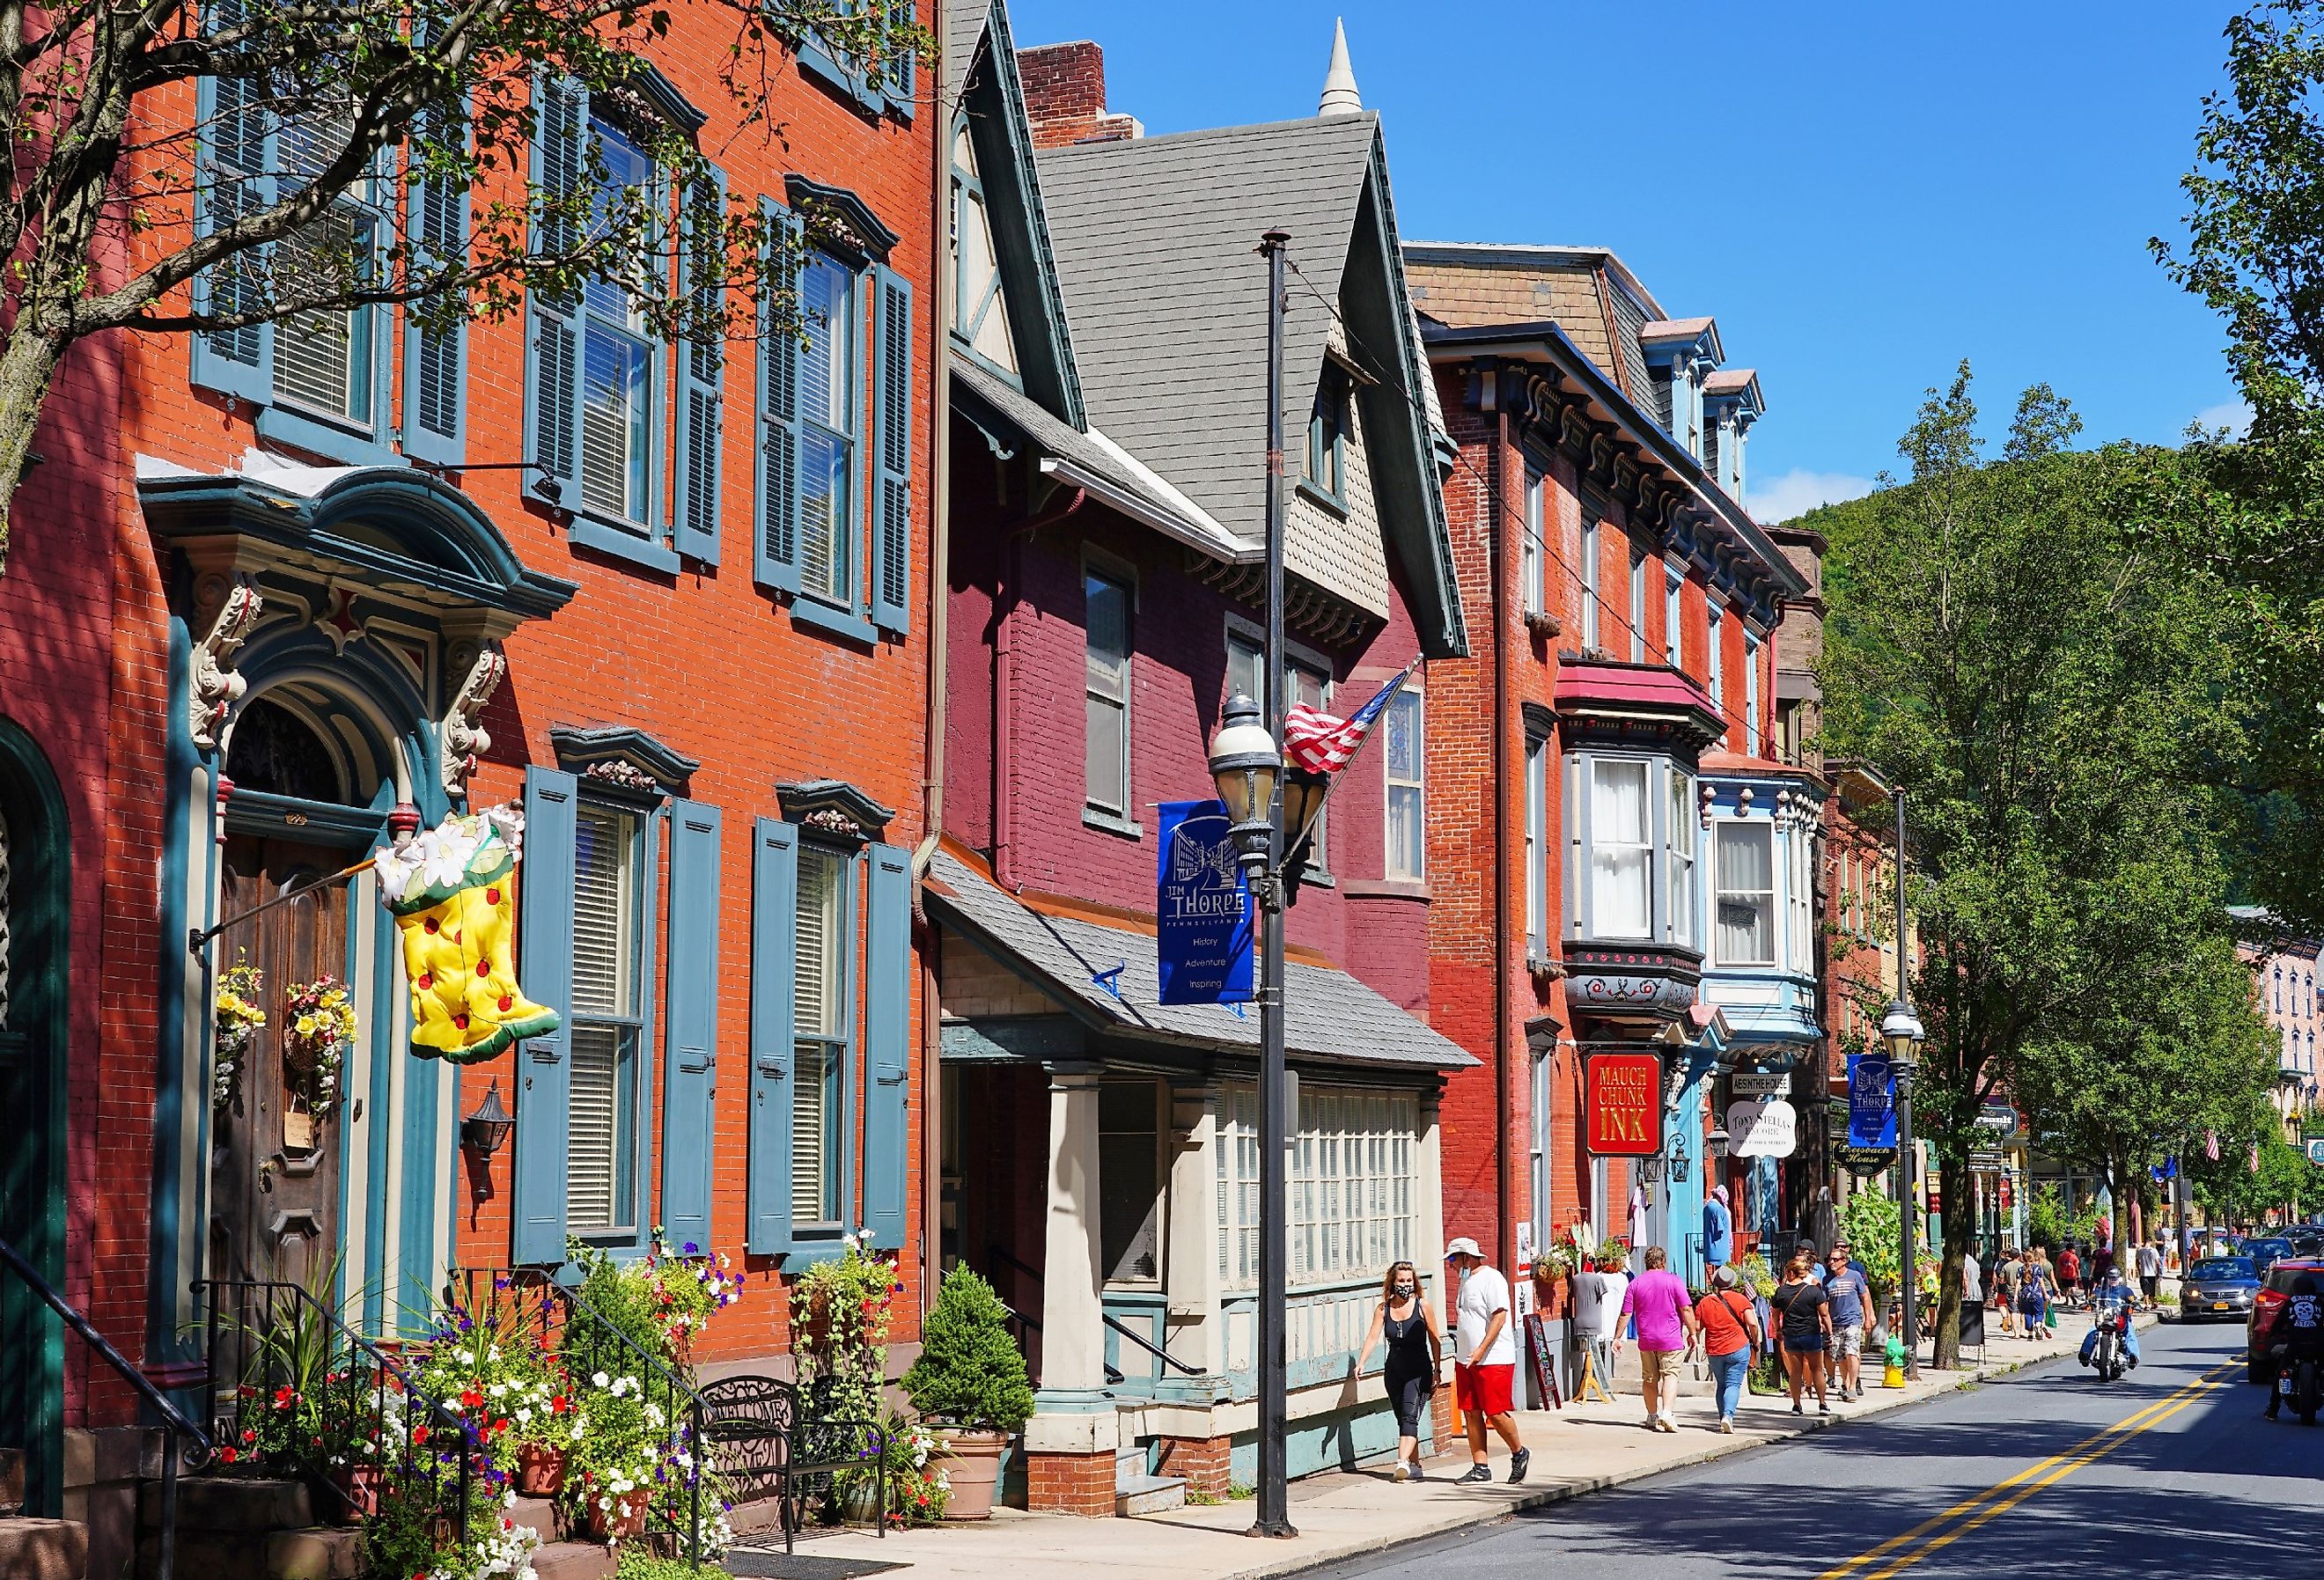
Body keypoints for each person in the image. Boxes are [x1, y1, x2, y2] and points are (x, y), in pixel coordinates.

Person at [1444, 1238, 1528, 1484]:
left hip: (1493, 1358)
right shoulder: (1466, 1281)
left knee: (1495, 1411)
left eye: (1452, 1259)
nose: (1451, 1265)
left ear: (1466, 1257)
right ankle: (1480, 1467)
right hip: (1466, 1359)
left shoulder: (1492, 1279)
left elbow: (1499, 1316)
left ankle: (1519, 1452)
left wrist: (1481, 1349)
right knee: (1471, 1411)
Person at [1356, 1260, 1444, 1482]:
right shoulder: (1384, 1309)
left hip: (1419, 1369)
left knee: (1409, 1416)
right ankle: (1415, 1465)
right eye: (1401, 1281)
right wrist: (1361, 1362)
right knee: (1403, 1419)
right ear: (1392, 1283)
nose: (1405, 1284)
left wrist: (1437, 1369)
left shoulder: (1423, 1306)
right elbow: (1373, 1336)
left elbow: (1435, 1339)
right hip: (1394, 1371)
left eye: (1409, 1280)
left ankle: (1402, 1462)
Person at [1618, 1246, 1699, 1434]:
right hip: (1670, 1339)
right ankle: (1667, 1413)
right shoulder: (1674, 1281)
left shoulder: (1635, 1284)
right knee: (1670, 1375)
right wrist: (1692, 1333)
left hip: (1646, 1339)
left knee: (1649, 1378)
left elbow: (1626, 1313)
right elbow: (1686, 1309)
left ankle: (1652, 1415)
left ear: (1647, 1263)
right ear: (1663, 1262)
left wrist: (1617, 1337)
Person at [1694, 1264, 1762, 1433]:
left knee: (1722, 1384)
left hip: (1715, 1350)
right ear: (1733, 1283)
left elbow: (1697, 1327)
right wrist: (1756, 1340)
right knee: (1733, 1384)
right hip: (1738, 1347)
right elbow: (1752, 1323)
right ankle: (1728, 1416)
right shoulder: (1741, 1300)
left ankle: (1722, 1418)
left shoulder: (1705, 1302)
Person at [1770, 1253, 1833, 1415]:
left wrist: (1778, 1329)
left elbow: (1775, 1314)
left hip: (1791, 1334)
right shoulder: (1813, 1291)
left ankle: (1797, 1405)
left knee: (1796, 1372)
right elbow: (1824, 1314)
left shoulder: (1781, 1292)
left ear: (1791, 1273)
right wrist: (1829, 1331)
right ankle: (1822, 1404)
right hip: (1811, 1334)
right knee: (1817, 1369)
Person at [1570, 1249, 1629, 1403]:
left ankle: (1586, 1381)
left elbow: (1571, 1294)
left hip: (1579, 1320)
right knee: (1593, 1352)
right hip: (1595, 1321)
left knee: (1588, 1351)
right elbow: (1604, 1294)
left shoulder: (1576, 1278)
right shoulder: (1598, 1279)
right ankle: (1595, 1383)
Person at [2264, 1273, 2324, 1420]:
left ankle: (2273, 1410)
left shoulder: (2291, 1303)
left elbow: (2278, 1323)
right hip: (2318, 1346)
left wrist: (2273, 1334)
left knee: (2280, 1374)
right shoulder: (2319, 1302)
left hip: (2295, 1346)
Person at [1820, 1246, 1873, 1400]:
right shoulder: (1827, 1279)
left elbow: (1865, 1297)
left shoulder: (1854, 1276)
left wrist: (1868, 1317)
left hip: (1853, 1320)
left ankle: (1852, 1387)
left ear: (1844, 1261)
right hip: (1835, 1322)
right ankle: (1846, 1383)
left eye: (1835, 1259)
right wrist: (1824, 1322)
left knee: (1852, 1352)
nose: (1832, 1262)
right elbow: (1826, 1303)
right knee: (1840, 1356)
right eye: (1830, 1259)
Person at [2078, 1265, 2141, 1370]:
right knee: (2092, 1332)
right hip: (2104, 1319)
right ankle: (2085, 1354)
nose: (2113, 1280)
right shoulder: (2101, 1290)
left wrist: (2135, 1304)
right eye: (2111, 1278)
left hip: (2121, 1319)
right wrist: (2089, 1301)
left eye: (2115, 1278)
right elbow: (2093, 1296)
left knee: (2130, 1333)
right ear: (2107, 1278)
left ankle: (2133, 1356)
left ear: (2119, 1278)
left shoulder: (2125, 1290)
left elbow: (2132, 1299)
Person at [2019, 1248, 2055, 1336]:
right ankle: (2038, 1325)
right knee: (2039, 1312)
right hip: (2037, 1294)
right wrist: (2045, 1294)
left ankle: (2030, 1333)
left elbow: (2017, 1282)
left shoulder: (2021, 1269)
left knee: (2028, 1314)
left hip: (2025, 1295)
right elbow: (2041, 1282)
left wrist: (2016, 1294)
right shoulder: (2037, 1268)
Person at [1703, 1186, 1734, 1272]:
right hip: (1720, 1247)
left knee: (1717, 1273)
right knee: (1722, 1274)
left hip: (1710, 1246)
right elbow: (1720, 1229)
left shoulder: (1707, 1207)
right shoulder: (1719, 1209)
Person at [2136, 1238, 2164, 1305]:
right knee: (2152, 1289)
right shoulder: (2154, 1250)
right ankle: (2152, 1303)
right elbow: (2157, 1262)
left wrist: (2139, 1269)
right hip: (2152, 1273)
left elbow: (2137, 1261)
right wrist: (2158, 1271)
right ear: (2151, 1242)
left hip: (2144, 1273)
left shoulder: (2140, 1250)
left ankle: (2147, 1305)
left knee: (2145, 1290)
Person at [2057, 1243, 2081, 1309]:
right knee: (2073, 1287)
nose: (2075, 1250)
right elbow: (2076, 1266)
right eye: (2074, 1249)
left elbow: (2059, 1266)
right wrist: (2078, 1274)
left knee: (2065, 1288)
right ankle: (2072, 1295)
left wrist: (2058, 1274)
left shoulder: (2061, 1256)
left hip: (2064, 1274)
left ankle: (2067, 1301)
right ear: (2071, 1249)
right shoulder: (2074, 1257)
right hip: (2072, 1274)